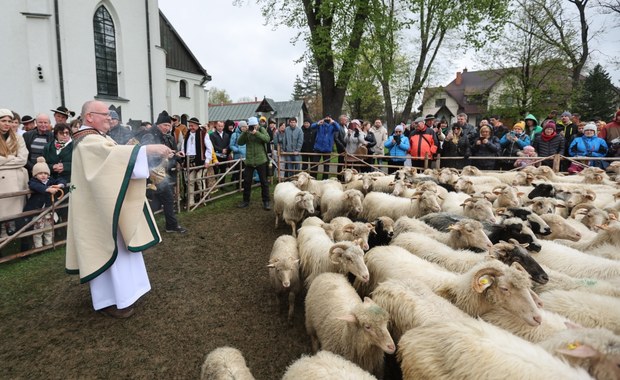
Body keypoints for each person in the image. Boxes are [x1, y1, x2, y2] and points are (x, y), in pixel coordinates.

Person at [66, 100, 172, 318]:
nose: (110, 118)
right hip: (100, 212)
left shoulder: (97, 138)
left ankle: (126, 294)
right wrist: (147, 149)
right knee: (107, 249)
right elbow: (115, 160)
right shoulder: (87, 141)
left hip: (107, 204)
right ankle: (111, 300)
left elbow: (118, 162)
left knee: (120, 250)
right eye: (105, 114)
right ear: (89, 117)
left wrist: (146, 157)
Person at [141, 110, 187, 234]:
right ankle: (160, 226)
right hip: (152, 174)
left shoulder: (167, 137)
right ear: (158, 125)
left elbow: (170, 152)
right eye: (165, 125)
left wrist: (177, 155)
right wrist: (165, 155)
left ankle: (168, 225)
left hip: (162, 174)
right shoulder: (149, 136)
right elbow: (144, 153)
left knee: (162, 200)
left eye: (169, 126)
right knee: (154, 202)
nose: (167, 128)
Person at [22, 157, 66, 248]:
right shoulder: (33, 181)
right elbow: (35, 186)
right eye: (40, 173)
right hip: (38, 211)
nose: (43, 175)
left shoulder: (50, 180)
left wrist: (59, 185)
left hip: (49, 211)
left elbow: (62, 180)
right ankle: (38, 247)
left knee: (49, 229)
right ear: (35, 175)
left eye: (45, 173)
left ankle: (48, 245)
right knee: (38, 230)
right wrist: (47, 189)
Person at [0, 108, 28, 238]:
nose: (7, 123)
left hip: (16, 180)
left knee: (16, 210)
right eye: (3, 120)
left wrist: (4, 160)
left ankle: (16, 233)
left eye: (9, 121)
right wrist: (11, 157)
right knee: (2, 209)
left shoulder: (17, 138)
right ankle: (3, 231)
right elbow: (16, 159)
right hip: (2, 182)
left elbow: (22, 159)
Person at [237, 116, 271, 210]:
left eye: (255, 125)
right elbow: (239, 142)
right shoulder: (247, 132)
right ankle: (245, 201)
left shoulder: (262, 129)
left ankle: (266, 202)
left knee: (264, 182)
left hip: (261, 160)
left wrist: (257, 133)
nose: (253, 127)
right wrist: (245, 132)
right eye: (252, 126)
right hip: (249, 161)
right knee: (247, 181)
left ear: (257, 124)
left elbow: (267, 139)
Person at [182, 117, 210, 206]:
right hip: (189, 160)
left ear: (197, 125)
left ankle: (203, 199)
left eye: (193, 126)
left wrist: (207, 160)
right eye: (190, 126)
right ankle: (191, 201)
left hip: (200, 160)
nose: (191, 127)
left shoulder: (203, 134)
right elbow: (183, 147)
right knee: (190, 181)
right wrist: (182, 153)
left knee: (199, 180)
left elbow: (209, 148)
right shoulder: (187, 135)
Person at [311, 116, 340, 180]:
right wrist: (318, 123)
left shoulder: (332, 126)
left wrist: (334, 122)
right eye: (326, 118)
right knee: (314, 165)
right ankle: (313, 178)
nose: (327, 119)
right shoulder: (320, 124)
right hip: (318, 148)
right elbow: (312, 126)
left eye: (328, 118)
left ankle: (325, 179)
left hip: (327, 148)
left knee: (326, 166)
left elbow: (338, 128)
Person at [210, 120, 231, 185]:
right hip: (216, 155)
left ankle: (222, 184)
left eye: (222, 126)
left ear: (224, 126)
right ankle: (215, 184)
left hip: (224, 155)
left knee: (223, 170)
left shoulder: (226, 135)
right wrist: (221, 150)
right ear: (216, 126)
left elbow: (229, 144)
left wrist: (226, 149)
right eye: (219, 126)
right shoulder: (212, 135)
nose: (220, 127)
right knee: (215, 170)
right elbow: (213, 145)